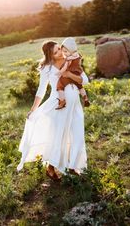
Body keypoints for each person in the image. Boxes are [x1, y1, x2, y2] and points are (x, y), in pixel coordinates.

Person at [17, 40, 89, 179]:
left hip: (75, 105)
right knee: (60, 137)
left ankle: (73, 166)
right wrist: (33, 109)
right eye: (55, 52)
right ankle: (51, 167)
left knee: (77, 135)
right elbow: (41, 90)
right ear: (50, 56)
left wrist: (69, 75)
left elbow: (84, 80)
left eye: (59, 49)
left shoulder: (72, 59)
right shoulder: (47, 68)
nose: (60, 53)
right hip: (59, 105)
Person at [56, 37, 90, 109]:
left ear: (71, 50)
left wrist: (60, 72)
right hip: (77, 73)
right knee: (80, 87)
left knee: (59, 85)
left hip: (70, 74)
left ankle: (62, 101)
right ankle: (85, 98)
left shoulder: (68, 59)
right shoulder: (78, 55)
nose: (63, 53)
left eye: (65, 51)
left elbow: (65, 67)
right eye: (63, 51)